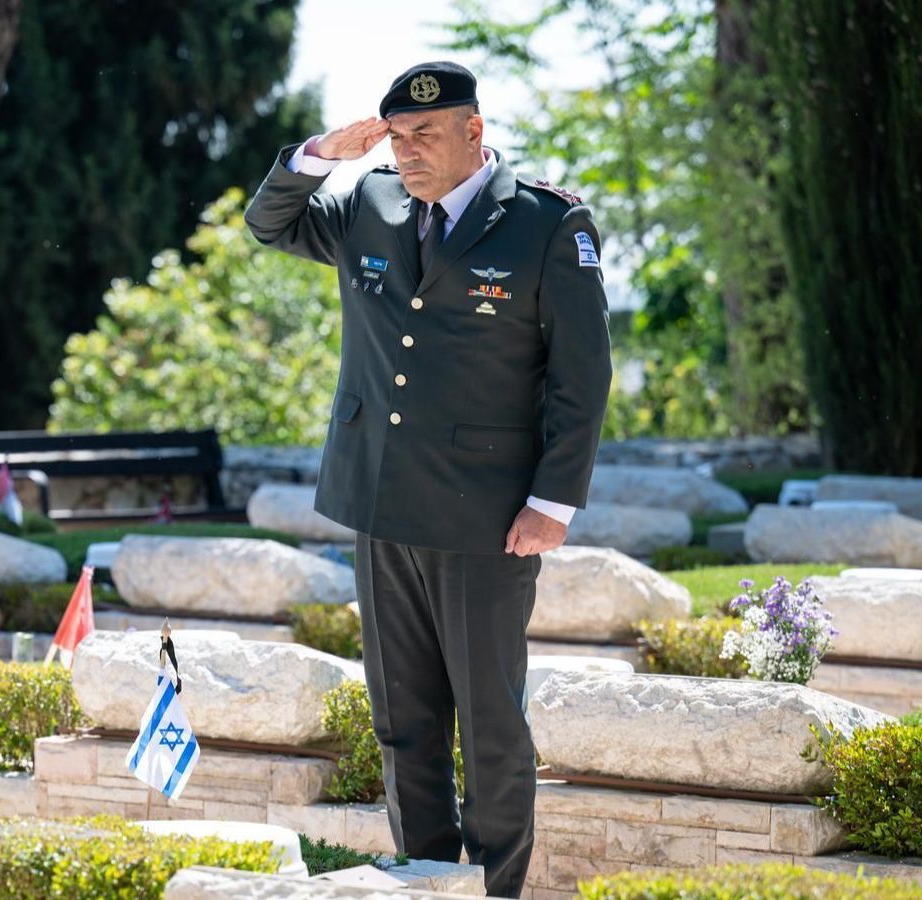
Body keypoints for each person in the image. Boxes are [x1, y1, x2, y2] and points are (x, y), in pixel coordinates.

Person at [243, 61, 612, 898]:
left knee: (489, 727)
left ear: (474, 132)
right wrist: (316, 155)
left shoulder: (547, 224)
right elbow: (269, 223)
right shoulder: (367, 202)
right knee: (403, 722)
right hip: (381, 501)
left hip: (488, 517)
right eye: (398, 137)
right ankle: (426, 882)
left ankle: (495, 888)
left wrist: (553, 504)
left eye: (427, 135)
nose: (408, 152)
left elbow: (581, 377)